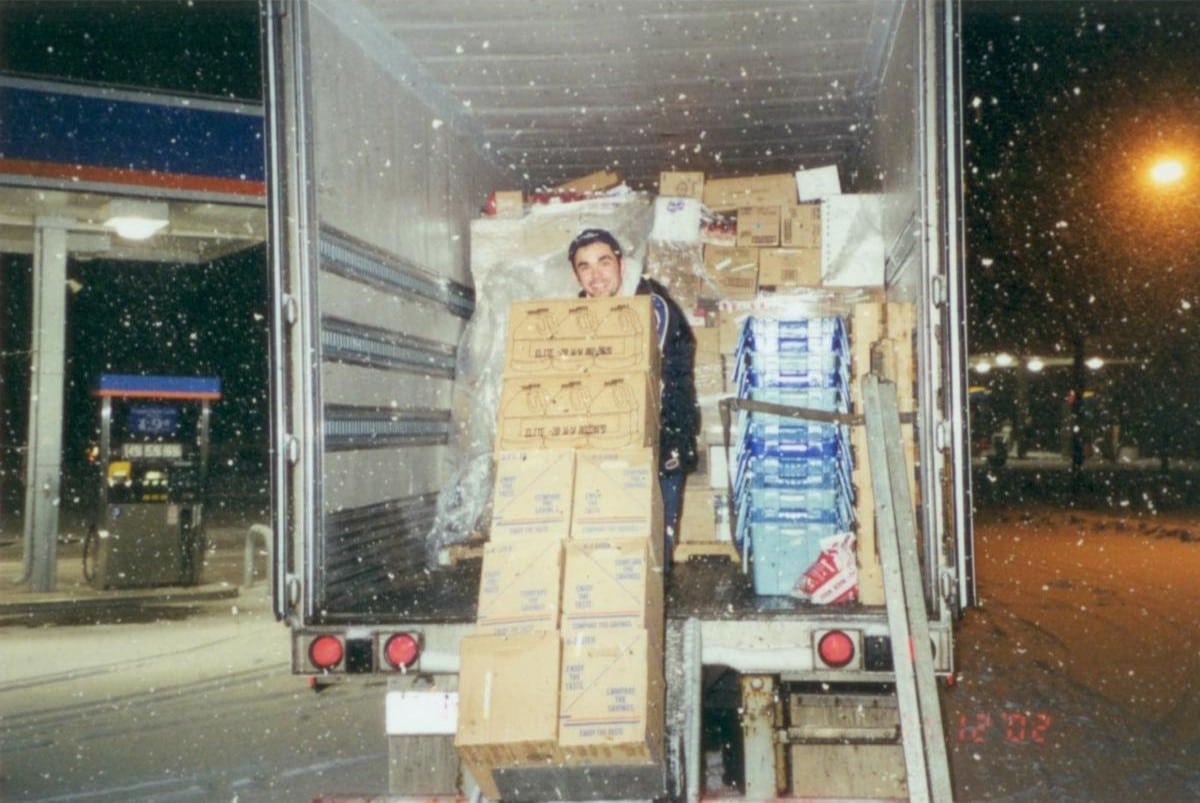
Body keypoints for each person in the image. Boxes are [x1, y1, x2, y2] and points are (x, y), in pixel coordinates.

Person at [567, 228, 699, 565]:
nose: (596, 276)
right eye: (585, 267)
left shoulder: (653, 306)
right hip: (599, 445)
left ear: (620, 264)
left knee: (652, 549)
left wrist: (670, 440)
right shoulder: (571, 318)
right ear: (575, 274)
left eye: (603, 263)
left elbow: (647, 375)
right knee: (604, 548)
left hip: (659, 442)